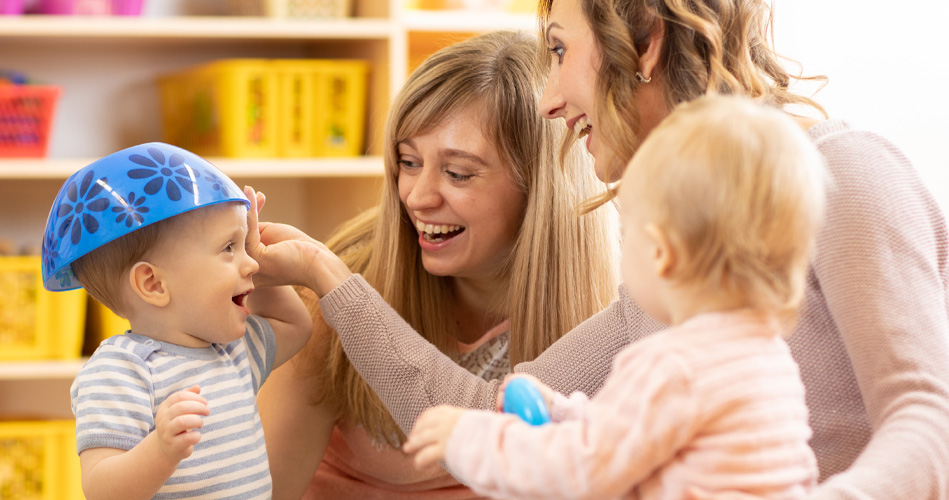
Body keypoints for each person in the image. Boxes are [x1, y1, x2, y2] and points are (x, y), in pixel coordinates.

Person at [259, 0, 949, 496]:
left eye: (558, 50)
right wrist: (331, 280)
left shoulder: (844, 172)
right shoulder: (669, 276)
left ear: (642, 40)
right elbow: (490, 411)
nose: (550, 99)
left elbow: (927, 426)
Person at [255, 30, 619, 499]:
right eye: (408, 162)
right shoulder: (335, 293)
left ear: (540, 189)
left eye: (458, 173)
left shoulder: (620, 303)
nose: (418, 198)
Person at [404, 94, 826, 500]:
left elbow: (582, 470)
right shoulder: (768, 358)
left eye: (629, 232)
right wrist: (564, 414)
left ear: (661, 254)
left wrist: (470, 438)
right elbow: (631, 433)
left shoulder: (672, 365)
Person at [41, 142, 313, 500]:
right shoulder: (119, 371)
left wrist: (253, 255)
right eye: (229, 248)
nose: (252, 263)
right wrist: (160, 450)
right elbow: (101, 490)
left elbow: (297, 326)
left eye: (243, 244)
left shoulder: (233, 351)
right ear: (153, 284)